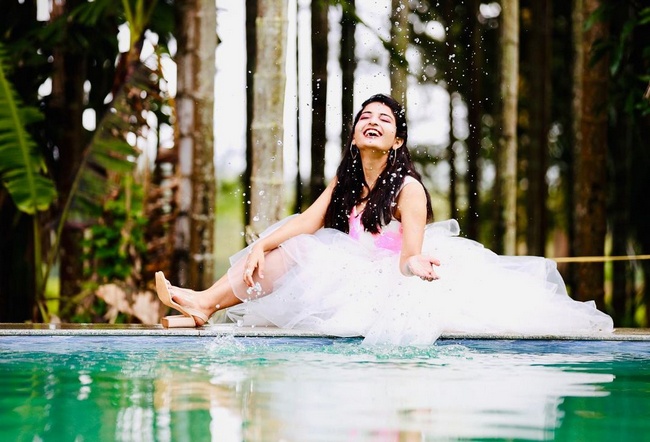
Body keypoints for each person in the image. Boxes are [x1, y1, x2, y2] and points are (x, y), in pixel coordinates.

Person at [155, 93, 613, 345]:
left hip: (389, 281)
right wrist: (261, 243)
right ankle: (205, 303)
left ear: (397, 142)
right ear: (355, 134)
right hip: (350, 274)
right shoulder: (347, 179)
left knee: (299, 251)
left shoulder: (408, 189)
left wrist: (416, 265)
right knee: (288, 242)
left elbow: (408, 256)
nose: (372, 121)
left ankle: (204, 305)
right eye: (365, 117)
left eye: (384, 119)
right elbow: (308, 221)